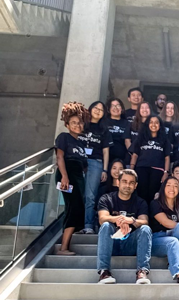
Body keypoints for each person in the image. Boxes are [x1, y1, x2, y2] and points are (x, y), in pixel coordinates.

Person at [96, 169, 152, 284]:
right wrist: (119, 220)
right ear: (118, 182)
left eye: (131, 183)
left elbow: (144, 221)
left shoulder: (140, 202)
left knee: (146, 229)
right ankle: (104, 272)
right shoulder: (106, 199)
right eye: (125, 181)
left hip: (130, 244)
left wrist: (130, 220)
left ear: (135, 185)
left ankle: (142, 272)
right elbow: (102, 219)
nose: (128, 185)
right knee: (106, 225)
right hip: (112, 243)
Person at [55, 102, 89, 255]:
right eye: (74, 123)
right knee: (73, 208)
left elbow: (84, 165)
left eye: (79, 123)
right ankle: (63, 248)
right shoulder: (64, 137)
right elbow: (60, 157)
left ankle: (67, 242)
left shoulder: (81, 142)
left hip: (78, 178)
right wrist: (64, 177)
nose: (77, 125)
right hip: (67, 175)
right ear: (67, 124)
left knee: (77, 207)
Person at [78, 101, 113, 234]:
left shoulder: (104, 129)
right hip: (78, 161)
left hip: (95, 163)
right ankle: (76, 224)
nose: (98, 111)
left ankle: (88, 225)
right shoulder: (81, 125)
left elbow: (105, 151)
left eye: (101, 109)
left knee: (90, 196)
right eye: (96, 108)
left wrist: (105, 169)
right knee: (77, 194)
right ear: (90, 109)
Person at [130, 115, 171, 204]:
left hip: (158, 170)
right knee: (142, 193)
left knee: (154, 194)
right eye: (151, 122)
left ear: (160, 125)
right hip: (141, 168)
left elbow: (167, 157)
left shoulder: (164, 140)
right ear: (147, 124)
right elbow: (135, 154)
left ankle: (152, 216)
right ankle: (142, 215)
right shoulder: (141, 138)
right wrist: (131, 169)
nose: (153, 124)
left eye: (156, 122)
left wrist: (166, 173)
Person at [106, 98, 129, 163]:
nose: (115, 108)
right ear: (108, 109)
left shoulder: (127, 123)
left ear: (122, 108)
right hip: (105, 156)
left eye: (118, 105)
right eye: (112, 106)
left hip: (122, 158)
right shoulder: (104, 122)